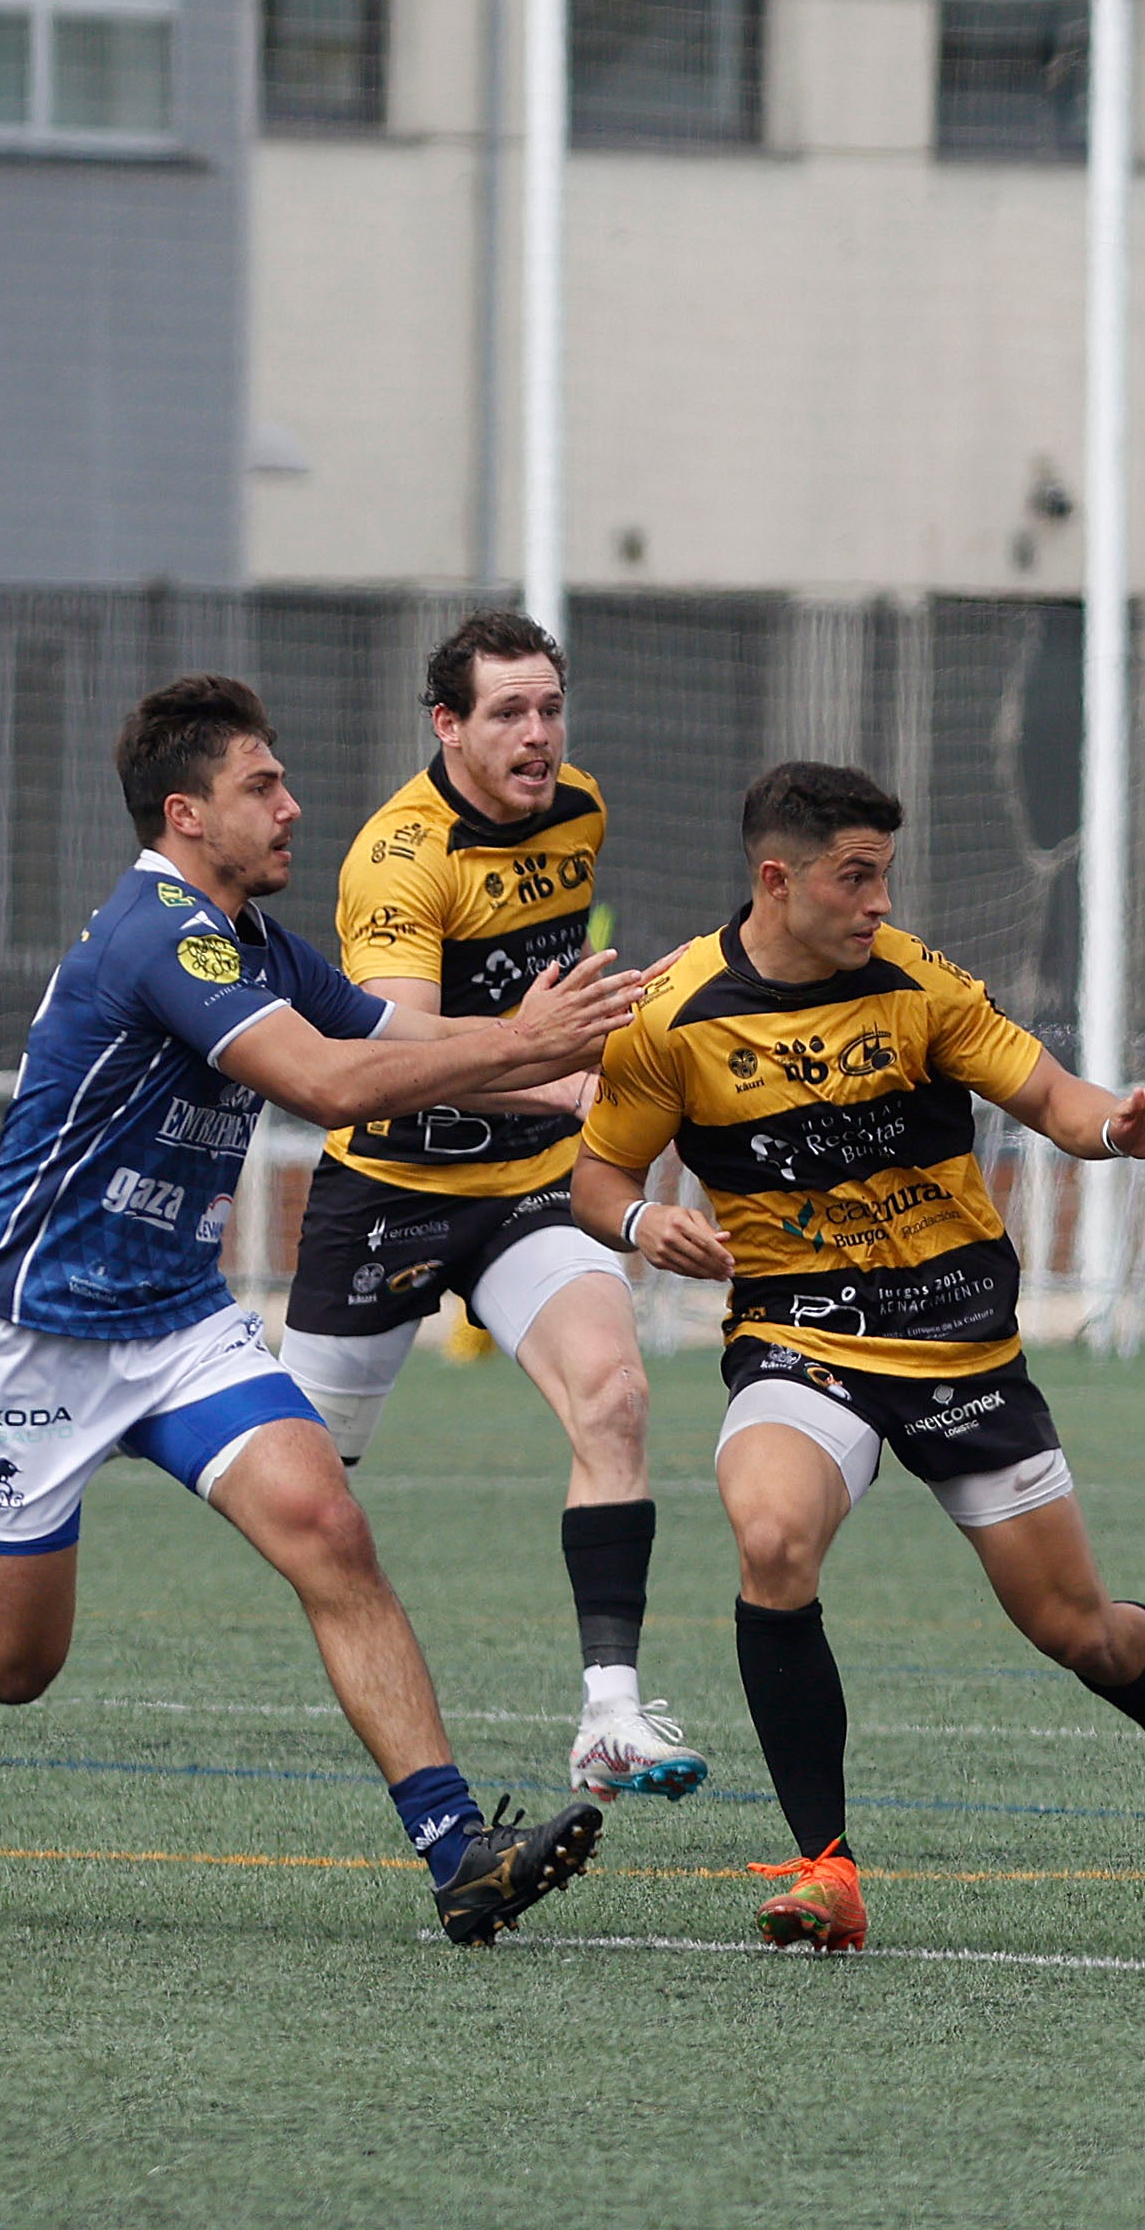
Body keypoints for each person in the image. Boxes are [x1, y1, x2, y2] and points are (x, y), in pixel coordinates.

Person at [0, 676, 643, 1944]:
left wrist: (587, 1073)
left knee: (330, 1524)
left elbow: (393, 1030)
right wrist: (530, 1048)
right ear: (185, 813)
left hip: (176, 1322)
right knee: (15, 1661)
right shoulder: (161, 935)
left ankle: (458, 1851)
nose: (292, 806)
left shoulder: (256, 944)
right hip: (25, 1332)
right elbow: (329, 1082)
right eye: (263, 787)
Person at [567, 762, 1145, 1952]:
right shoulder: (677, 1018)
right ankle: (828, 1869)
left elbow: (1055, 1096)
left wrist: (1117, 1129)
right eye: (853, 877)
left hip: (958, 1337)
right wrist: (636, 1223)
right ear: (778, 878)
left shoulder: (918, 983)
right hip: (798, 1338)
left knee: (1082, 1632)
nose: (878, 901)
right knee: (770, 1535)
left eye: (884, 875)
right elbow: (597, 1172)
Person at [274, 612, 701, 1807]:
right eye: (507, 712)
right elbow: (393, 1040)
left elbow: (563, 1003)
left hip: (529, 1183)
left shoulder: (582, 808)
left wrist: (608, 1060)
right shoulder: (395, 858)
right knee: (297, 1486)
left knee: (613, 1395)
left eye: (550, 708)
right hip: (391, 1189)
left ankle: (611, 1713)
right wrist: (558, 1065)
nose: (537, 734)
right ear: (445, 723)